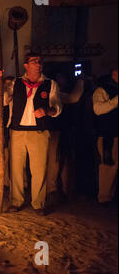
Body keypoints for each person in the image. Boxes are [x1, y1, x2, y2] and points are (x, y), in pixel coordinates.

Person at [0, 53, 62, 216]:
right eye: (34, 62)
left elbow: (58, 107)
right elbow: (1, 99)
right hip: (17, 132)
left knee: (39, 169)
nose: (38, 64)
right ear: (26, 65)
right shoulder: (15, 83)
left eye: (39, 62)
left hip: (39, 133)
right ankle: (16, 201)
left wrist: (46, 111)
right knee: (16, 169)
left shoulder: (50, 84)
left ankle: (38, 203)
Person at [46, 73, 84, 203]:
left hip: (65, 130)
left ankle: (65, 190)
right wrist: (81, 81)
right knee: (54, 161)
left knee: (65, 161)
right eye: (61, 78)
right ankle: (52, 189)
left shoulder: (62, 93)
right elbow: (74, 98)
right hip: (55, 131)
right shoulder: (56, 94)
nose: (63, 80)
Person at [93, 66, 118, 206]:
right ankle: (105, 197)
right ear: (114, 74)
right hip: (108, 135)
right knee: (108, 167)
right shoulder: (101, 90)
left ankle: (111, 196)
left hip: (115, 134)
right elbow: (98, 109)